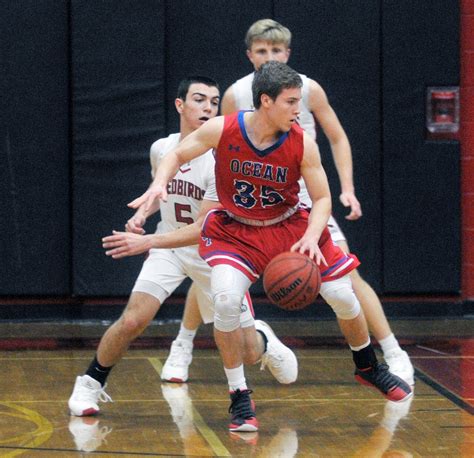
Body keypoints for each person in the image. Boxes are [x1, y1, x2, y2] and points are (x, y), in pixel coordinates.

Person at [129, 62, 412, 431]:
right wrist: (158, 184)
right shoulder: (224, 128)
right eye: (292, 102)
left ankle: (368, 366)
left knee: (344, 296)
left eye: (300, 102)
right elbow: (177, 154)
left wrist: (311, 235)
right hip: (238, 231)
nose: (299, 110)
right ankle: (239, 396)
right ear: (266, 101)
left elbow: (323, 199)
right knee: (226, 300)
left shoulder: (302, 144)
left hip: (290, 226)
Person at [165, 18, 414, 386]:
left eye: (276, 50)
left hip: (301, 198)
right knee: (212, 272)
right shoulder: (236, 93)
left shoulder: (308, 88)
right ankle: (186, 344)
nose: (268, 56)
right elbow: (215, 141)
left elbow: (338, 137)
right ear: (250, 55)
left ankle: (390, 353)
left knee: (346, 281)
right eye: (261, 50)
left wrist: (347, 187)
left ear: (288, 53)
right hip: (245, 193)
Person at [68, 76, 298, 427]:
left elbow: (202, 229)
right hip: (168, 246)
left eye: (214, 101)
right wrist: (141, 216)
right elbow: (161, 193)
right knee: (133, 318)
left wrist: (145, 243)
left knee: (249, 352)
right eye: (199, 99)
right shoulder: (162, 148)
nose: (208, 107)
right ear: (180, 105)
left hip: (214, 252)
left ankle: (264, 339)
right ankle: (89, 382)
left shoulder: (223, 159)